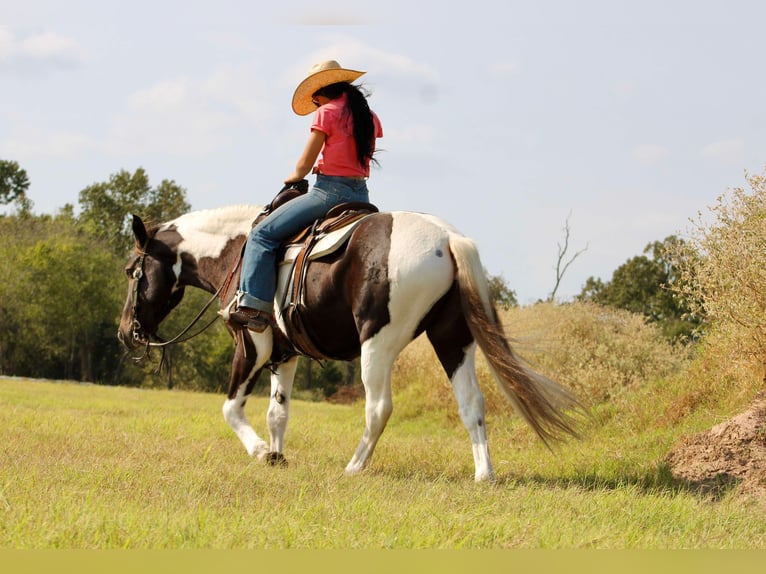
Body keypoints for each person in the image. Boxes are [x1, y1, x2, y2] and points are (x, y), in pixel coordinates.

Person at [231, 60, 383, 332]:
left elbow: (303, 165)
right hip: (362, 195)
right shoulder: (369, 117)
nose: (315, 104)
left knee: (261, 234)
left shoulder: (327, 113)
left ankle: (255, 307)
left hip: (329, 193)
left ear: (323, 91)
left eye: (315, 99)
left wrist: (294, 177)